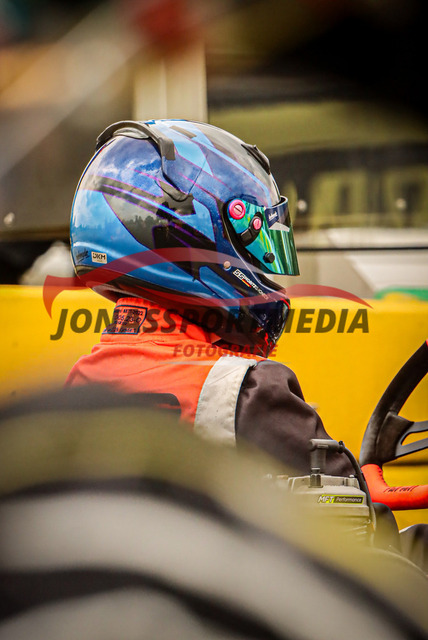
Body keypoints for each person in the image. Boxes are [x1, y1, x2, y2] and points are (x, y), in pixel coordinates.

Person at [66, 118, 353, 478]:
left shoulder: (74, 388)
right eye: (249, 245)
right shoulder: (249, 393)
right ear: (190, 234)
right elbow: (352, 506)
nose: (261, 271)